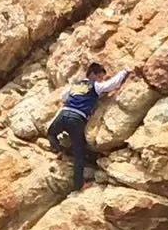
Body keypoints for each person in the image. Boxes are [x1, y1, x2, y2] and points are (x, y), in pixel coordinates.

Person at [48, 61, 131, 192]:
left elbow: (63, 96)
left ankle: (59, 150)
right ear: (93, 74)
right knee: (79, 153)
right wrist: (124, 72)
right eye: (100, 77)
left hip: (63, 115)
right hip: (77, 119)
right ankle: (79, 185)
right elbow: (111, 85)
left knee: (51, 133)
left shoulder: (76, 85)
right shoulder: (95, 86)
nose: (101, 80)